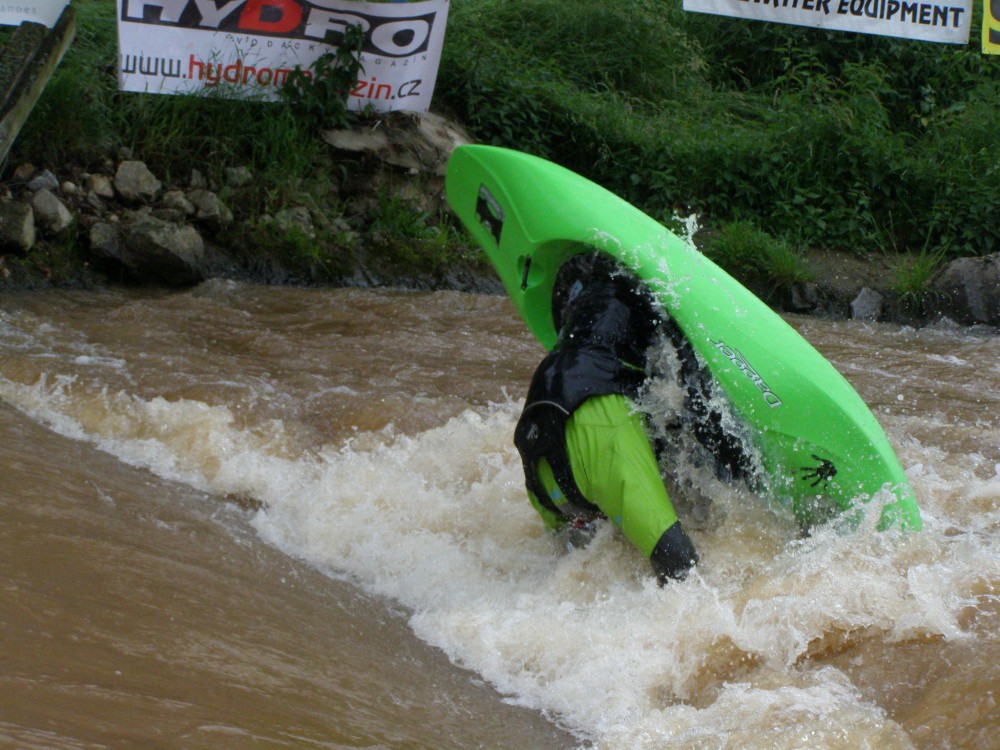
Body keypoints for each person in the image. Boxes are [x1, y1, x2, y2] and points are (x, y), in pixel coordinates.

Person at [514, 254, 699, 584]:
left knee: (567, 568)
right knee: (682, 570)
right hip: (597, 422)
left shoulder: (593, 300)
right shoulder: (656, 307)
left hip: (536, 436)